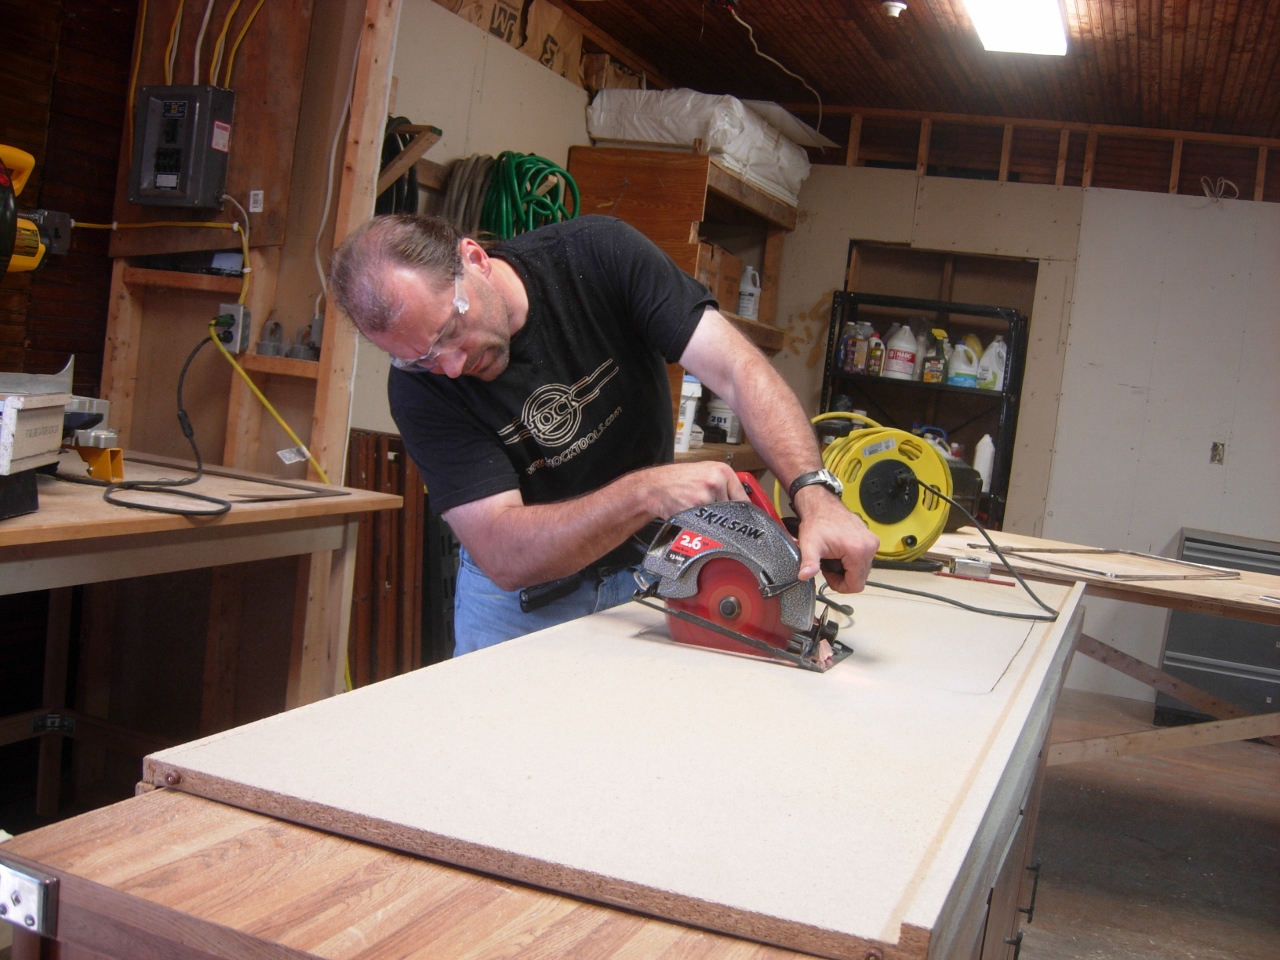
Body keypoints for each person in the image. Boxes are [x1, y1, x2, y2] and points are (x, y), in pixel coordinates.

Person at [329, 214, 879, 655]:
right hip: (517, 605)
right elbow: (502, 550)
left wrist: (815, 496)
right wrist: (645, 492)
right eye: (422, 358)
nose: (450, 366)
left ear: (474, 259)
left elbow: (738, 369)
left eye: (451, 330)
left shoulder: (596, 255)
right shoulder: (419, 389)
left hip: (651, 568)